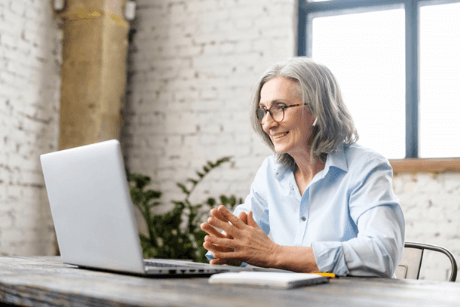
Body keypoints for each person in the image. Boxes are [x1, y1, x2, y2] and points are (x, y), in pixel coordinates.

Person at [200, 57, 405, 277]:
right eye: (263, 111)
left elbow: (381, 254)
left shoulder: (365, 167)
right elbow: (234, 246)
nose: (268, 123)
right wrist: (227, 247)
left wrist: (274, 254)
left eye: (280, 108)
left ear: (317, 109)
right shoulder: (270, 172)